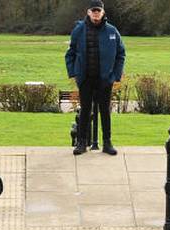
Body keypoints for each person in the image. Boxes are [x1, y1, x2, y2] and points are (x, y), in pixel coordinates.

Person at [65, 0, 126, 156]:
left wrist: (115, 76)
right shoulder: (79, 30)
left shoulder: (112, 32)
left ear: (103, 13)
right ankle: (81, 143)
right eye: (94, 11)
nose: (96, 13)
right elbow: (70, 54)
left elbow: (121, 54)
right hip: (85, 78)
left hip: (105, 80)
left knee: (105, 111)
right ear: (88, 12)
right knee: (85, 110)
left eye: (98, 11)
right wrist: (74, 73)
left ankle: (107, 143)